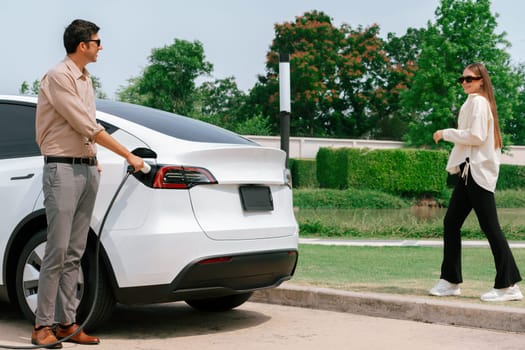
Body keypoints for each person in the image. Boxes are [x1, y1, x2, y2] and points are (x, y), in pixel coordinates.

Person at [32, 19, 144, 348]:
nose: (101, 46)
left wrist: (92, 159)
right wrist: (129, 156)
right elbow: (85, 124)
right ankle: (42, 327)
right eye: (97, 41)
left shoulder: (85, 78)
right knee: (57, 250)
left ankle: (66, 322)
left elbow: (87, 129)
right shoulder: (58, 77)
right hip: (62, 171)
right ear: (83, 46)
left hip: (84, 169)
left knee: (74, 252)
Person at [430, 62, 522, 302]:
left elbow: (477, 136)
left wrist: (445, 133)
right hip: (469, 170)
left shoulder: (479, 103)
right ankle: (450, 281)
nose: (464, 82)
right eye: (462, 79)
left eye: (469, 79)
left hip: (476, 171)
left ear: (481, 81)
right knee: (451, 223)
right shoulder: (474, 102)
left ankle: (508, 285)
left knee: (490, 228)